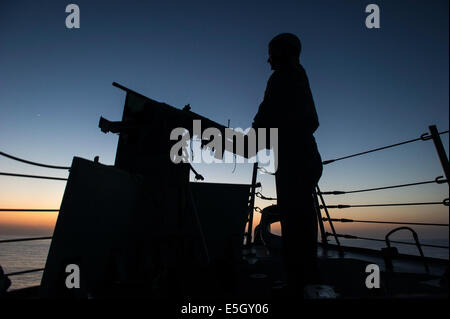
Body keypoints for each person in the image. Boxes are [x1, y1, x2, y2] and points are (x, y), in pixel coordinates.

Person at [252, 33, 323, 295]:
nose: (268, 60)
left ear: (282, 53)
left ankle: (301, 284)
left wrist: (247, 140)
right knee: (300, 220)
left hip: (295, 158)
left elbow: (265, 118)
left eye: (271, 54)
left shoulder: (282, 77)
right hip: (304, 156)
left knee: (296, 223)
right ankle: (305, 279)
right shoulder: (298, 76)